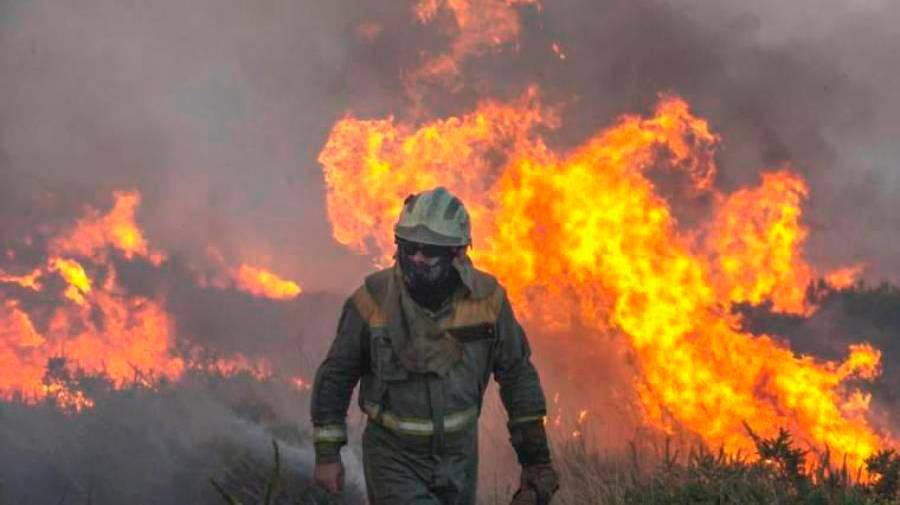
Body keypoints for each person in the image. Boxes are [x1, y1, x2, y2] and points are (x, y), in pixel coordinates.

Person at [310, 186, 559, 505]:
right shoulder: (372, 300)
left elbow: (517, 375)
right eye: (409, 247)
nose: (417, 258)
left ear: (457, 253)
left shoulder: (487, 300)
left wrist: (535, 460)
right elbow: (337, 375)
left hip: (459, 457)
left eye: (429, 250)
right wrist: (327, 453)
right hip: (393, 457)